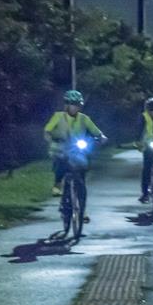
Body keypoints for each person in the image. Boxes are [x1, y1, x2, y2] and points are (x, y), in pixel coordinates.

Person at [44, 90, 108, 222]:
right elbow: (48, 130)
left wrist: (101, 137)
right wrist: (50, 138)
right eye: (72, 104)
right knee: (60, 161)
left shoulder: (84, 118)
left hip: (77, 149)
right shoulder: (58, 116)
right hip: (62, 147)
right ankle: (57, 184)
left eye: (77, 104)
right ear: (66, 105)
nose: (75, 107)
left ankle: (82, 211)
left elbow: (95, 131)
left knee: (81, 181)